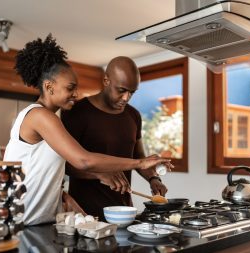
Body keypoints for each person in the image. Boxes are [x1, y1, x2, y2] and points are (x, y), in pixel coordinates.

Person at [3, 34, 172, 226]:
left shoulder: (51, 118)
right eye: (70, 88)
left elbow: (44, 170)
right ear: (49, 87)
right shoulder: (40, 116)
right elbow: (82, 160)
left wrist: (63, 195)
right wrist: (140, 163)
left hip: (39, 222)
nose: (76, 94)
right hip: (22, 223)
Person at [61, 56, 169, 221]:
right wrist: (99, 173)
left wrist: (153, 178)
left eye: (132, 92)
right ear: (106, 80)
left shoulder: (133, 115)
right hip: (85, 215)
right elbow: (65, 165)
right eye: (121, 90)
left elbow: (138, 158)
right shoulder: (76, 112)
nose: (126, 98)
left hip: (124, 212)